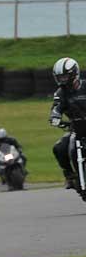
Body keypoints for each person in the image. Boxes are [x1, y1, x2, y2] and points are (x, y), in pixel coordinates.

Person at [49, 57, 86, 196]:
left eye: (65, 76)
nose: (62, 80)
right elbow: (56, 108)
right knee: (59, 147)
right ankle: (70, 176)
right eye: (60, 77)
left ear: (74, 74)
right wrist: (55, 117)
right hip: (76, 129)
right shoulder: (60, 93)